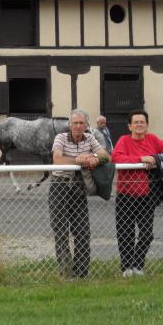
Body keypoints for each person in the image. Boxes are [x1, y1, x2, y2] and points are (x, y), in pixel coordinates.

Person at [111, 110, 163, 277]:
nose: (139, 125)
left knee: (147, 233)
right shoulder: (124, 140)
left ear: (147, 125)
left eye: (142, 122)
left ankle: (138, 265)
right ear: (129, 126)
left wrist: (154, 158)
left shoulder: (153, 139)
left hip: (147, 195)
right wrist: (141, 159)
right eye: (136, 122)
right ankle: (126, 268)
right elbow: (116, 158)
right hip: (125, 194)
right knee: (125, 232)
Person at [50, 108, 110, 278]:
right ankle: (66, 272)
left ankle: (81, 274)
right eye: (74, 123)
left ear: (86, 125)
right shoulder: (60, 137)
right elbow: (57, 159)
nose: (77, 126)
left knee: (83, 231)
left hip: (79, 187)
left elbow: (106, 155)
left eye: (81, 123)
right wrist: (78, 160)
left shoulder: (90, 138)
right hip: (59, 186)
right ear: (70, 125)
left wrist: (95, 158)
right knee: (61, 232)